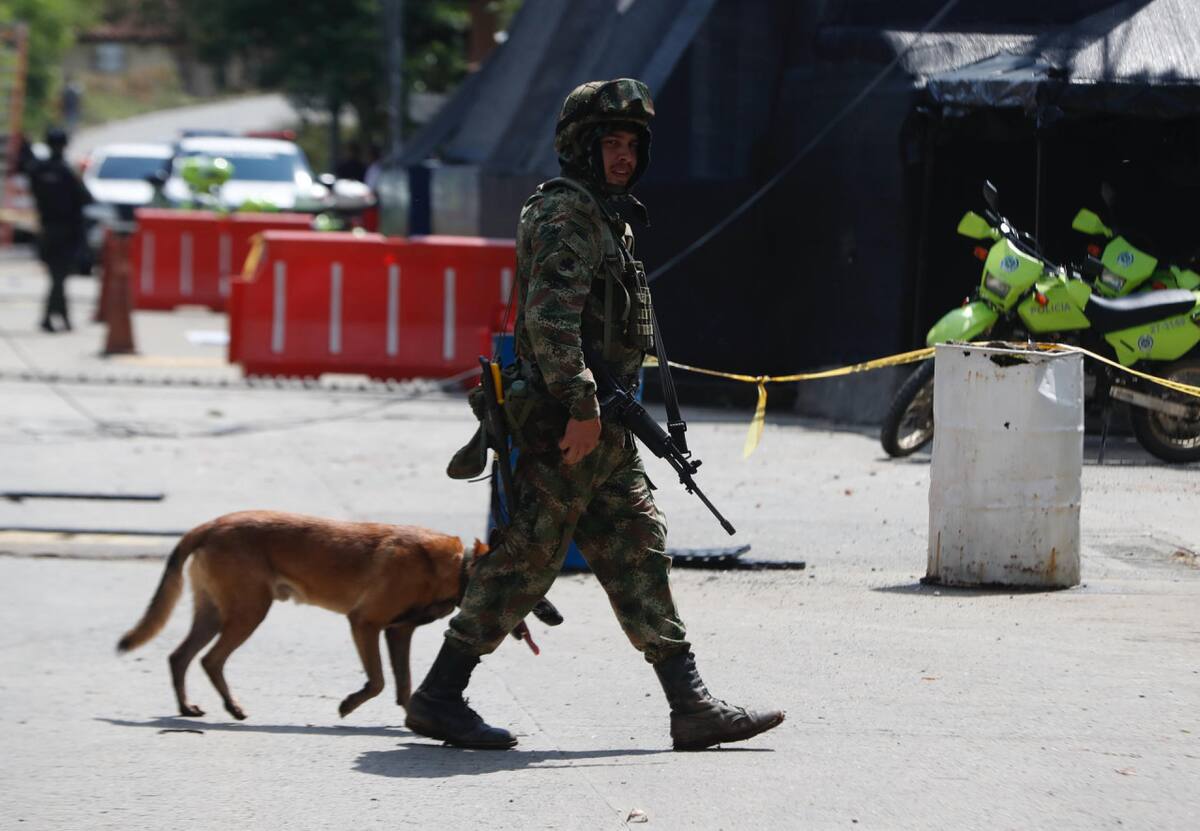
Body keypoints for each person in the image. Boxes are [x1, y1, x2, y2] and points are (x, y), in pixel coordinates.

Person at [405, 79, 784, 751]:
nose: (623, 157)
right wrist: (581, 406)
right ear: (581, 146)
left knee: (639, 547)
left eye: (632, 145)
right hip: (568, 424)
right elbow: (551, 323)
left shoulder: (611, 215)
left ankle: (690, 705)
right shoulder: (569, 215)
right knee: (529, 555)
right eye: (610, 143)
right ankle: (439, 695)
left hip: (604, 426)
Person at [28, 127, 91, 332]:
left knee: (58, 276)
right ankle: (51, 317)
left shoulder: (38, 170)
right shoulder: (66, 171)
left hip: (46, 228)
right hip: (66, 231)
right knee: (59, 276)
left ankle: (60, 317)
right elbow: (85, 198)